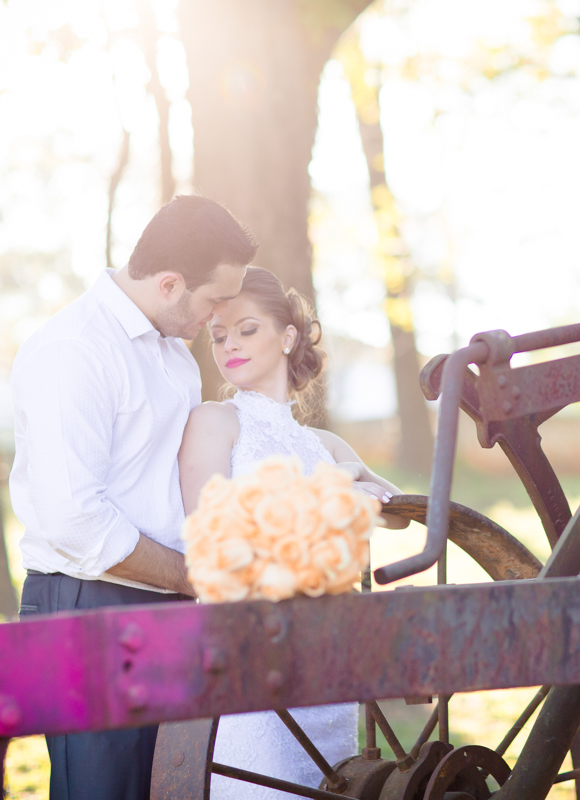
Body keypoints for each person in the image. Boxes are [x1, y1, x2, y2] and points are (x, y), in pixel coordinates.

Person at [11, 195, 258, 800]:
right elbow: (74, 519)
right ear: (170, 283)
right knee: (104, 790)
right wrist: (190, 575)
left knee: (170, 788)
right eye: (212, 301)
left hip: (168, 599)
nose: (218, 317)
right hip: (87, 604)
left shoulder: (175, 356)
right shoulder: (73, 350)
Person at [178, 266, 407, 799]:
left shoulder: (322, 443)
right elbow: (207, 530)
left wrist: (353, 481)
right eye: (218, 336)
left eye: (247, 329)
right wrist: (332, 495)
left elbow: (396, 509)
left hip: (327, 655)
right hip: (250, 647)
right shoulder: (214, 422)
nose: (229, 345)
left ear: (287, 337)